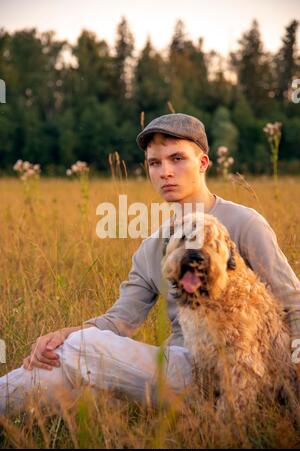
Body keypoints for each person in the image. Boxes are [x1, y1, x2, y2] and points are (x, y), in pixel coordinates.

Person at [1, 113, 300, 414]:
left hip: (235, 374)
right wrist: (66, 334)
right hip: (176, 366)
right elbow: (120, 321)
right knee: (65, 362)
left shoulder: (244, 223)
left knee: (82, 348)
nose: (165, 172)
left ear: (203, 163)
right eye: (155, 163)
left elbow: (293, 305)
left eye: (177, 159)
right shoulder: (152, 247)